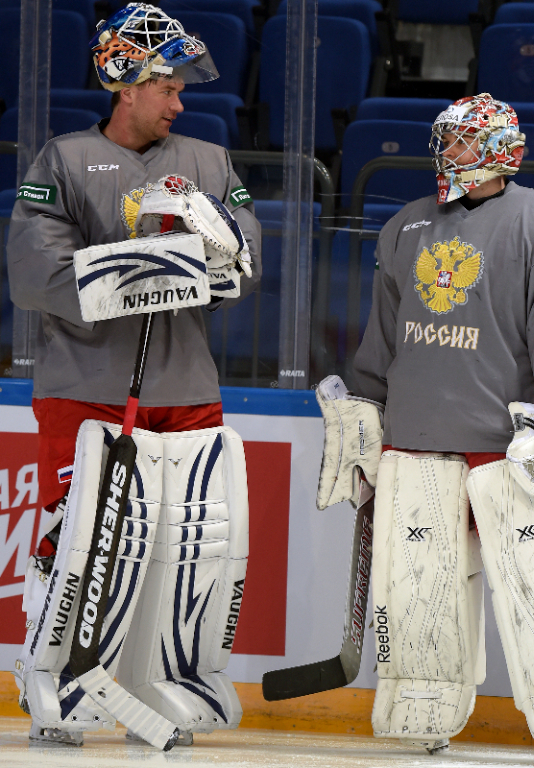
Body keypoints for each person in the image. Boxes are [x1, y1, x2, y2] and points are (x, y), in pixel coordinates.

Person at [315, 93, 534, 757]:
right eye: (444, 140)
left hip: (505, 451)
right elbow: (383, 342)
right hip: (418, 443)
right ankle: (425, 713)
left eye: (457, 141)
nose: (444, 153)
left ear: (496, 150)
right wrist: (365, 415)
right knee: (420, 592)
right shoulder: (403, 226)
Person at [8, 3, 259, 746]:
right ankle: (53, 677)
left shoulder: (210, 160)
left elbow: (242, 267)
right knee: (76, 536)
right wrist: (172, 266)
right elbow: (34, 272)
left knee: (181, 548)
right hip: (83, 387)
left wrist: (155, 269)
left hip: (185, 388)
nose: (180, 103)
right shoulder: (62, 158)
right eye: (167, 88)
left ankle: (161, 681)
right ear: (127, 87)